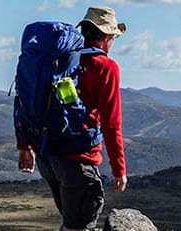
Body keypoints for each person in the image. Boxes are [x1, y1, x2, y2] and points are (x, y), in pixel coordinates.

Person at [16, 6, 129, 231]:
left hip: (47, 156)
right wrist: (119, 169)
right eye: (114, 36)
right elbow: (111, 122)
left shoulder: (58, 61)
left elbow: (22, 99)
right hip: (78, 159)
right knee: (79, 226)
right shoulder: (105, 66)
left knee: (71, 223)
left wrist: (24, 145)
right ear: (107, 36)